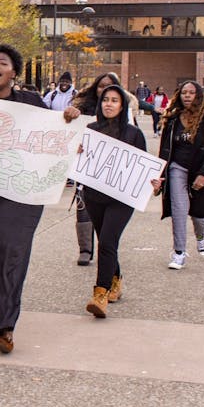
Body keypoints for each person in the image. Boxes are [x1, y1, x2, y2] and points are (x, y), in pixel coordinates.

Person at [0, 44, 80, 354]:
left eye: (3, 62)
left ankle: (6, 326)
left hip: (22, 192)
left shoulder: (32, 102)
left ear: (13, 72)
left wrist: (70, 117)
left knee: (12, 251)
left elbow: (53, 135)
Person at [78, 85, 146, 318]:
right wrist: (77, 153)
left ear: (122, 105)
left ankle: (100, 293)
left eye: (114, 100)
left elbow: (142, 168)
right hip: (94, 195)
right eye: (105, 99)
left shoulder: (133, 134)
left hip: (121, 198)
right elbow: (81, 160)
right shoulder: (90, 129)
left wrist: (153, 183)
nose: (108, 104)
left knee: (107, 241)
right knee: (106, 242)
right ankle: (115, 279)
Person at [151, 81, 204, 270]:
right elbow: (164, 148)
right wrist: (160, 173)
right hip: (177, 168)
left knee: (199, 214)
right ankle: (179, 252)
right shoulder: (172, 119)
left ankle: (201, 236)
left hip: (199, 170)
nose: (187, 96)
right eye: (184, 93)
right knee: (179, 210)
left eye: (191, 93)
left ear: (199, 95)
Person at [71, 72, 123, 266]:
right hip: (85, 166)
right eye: (101, 86)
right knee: (83, 205)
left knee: (106, 212)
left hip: (110, 169)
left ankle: (106, 246)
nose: (104, 90)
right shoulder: (82, 109)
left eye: (109, 86)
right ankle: (85, 249)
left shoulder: (122, 112)